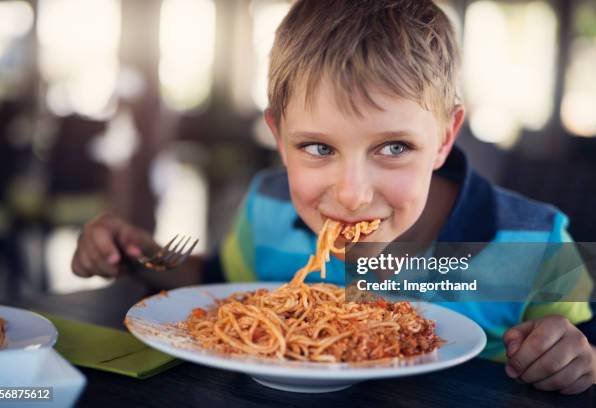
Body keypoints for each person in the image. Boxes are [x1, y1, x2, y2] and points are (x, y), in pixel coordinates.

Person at [71, 0, 596, 394]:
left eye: (394, 147)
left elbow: (581, 346)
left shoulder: (536, 241)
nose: (351, 194)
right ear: (279, 138)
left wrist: (575, 355)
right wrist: (140, 253)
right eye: (318, 147)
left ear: (443, 139)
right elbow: (214, 289)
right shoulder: (268, 208)